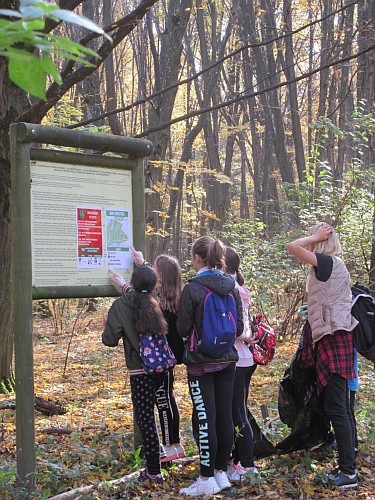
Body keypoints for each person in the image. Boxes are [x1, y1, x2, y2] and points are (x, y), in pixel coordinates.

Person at [287, 222, 358, 489]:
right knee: (340, 407)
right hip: (332, 338)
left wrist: (313, 237)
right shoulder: (331, 266)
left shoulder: (327, 262)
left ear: (322, 241)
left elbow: (292, 247)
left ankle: (349, 473)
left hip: (334, 339)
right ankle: (346, 468)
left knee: (338, 408)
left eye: (317, 238)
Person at [177, 236, 244, 496]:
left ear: (197, 258)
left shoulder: (193, 288)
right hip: (228, 359)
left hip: (200, 363)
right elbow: (238, 327)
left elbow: (182, 327)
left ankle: (205, 479)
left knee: (206, 420)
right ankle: (220, 473)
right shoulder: (232, 286)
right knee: (224, 417)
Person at [110, 249, 185, 462]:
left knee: (164, 399)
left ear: (161, 277)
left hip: (163, 358)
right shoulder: (170, 294)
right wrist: (142, 263)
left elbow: (143, 298)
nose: (152, 271)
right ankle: (169, 444)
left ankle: (173, 444)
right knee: (164, 398)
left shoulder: (162, 300)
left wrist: (124, 285)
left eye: (155, 269)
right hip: (163, 357)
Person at [102, 265, 168, 485]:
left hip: (139, 371)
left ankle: (154, 471)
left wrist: (106, 325)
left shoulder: (121, 306)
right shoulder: (154, 301)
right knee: (154, 415)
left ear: (133, 281)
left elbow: (109, 340)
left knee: (146, 419)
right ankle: (159, 459)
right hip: (160, 369)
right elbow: (137, 294)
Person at [224, 247, 260, 482]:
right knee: (239, 411)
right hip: (244, 358)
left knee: (238, 413)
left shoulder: (232, 290)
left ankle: (247, 464)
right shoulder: (238, 287)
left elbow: (238, 329)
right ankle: (238, 462)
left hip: (238, 358)